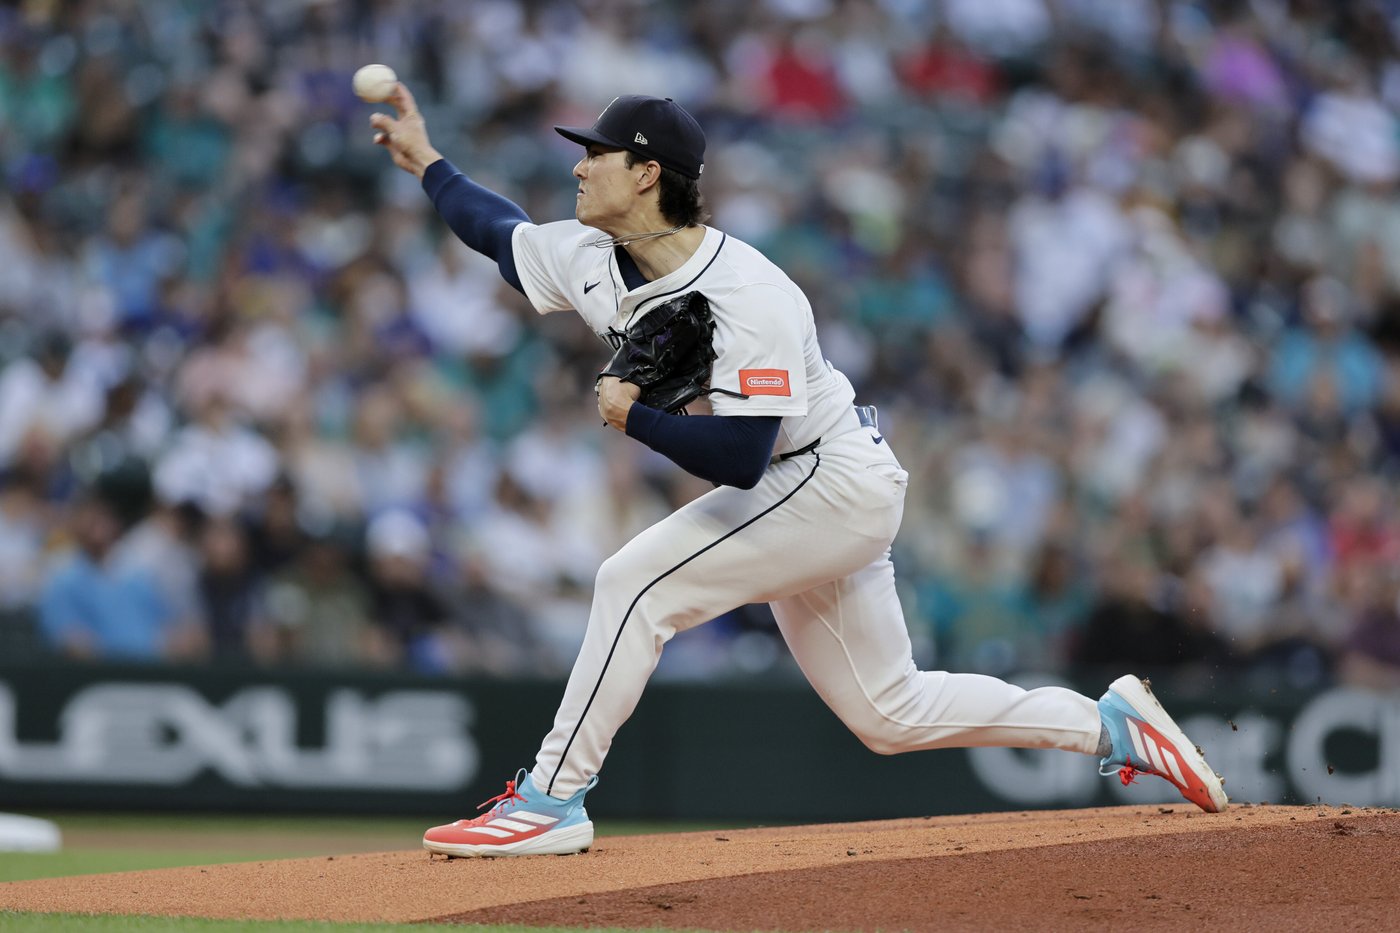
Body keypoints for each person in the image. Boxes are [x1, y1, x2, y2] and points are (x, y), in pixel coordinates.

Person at [370, 87, 1228, 858]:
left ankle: (550, 798)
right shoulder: (592, 256)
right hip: (806, 487)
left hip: (829, 478)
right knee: (888, 711)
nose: (579, 165)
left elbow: (742, 460)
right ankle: (1110, 725)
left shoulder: (750, 293)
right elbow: (497, 231)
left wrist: (636, 417)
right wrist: (428, 162)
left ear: (647, 173)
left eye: (597, 152)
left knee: (632, 584)